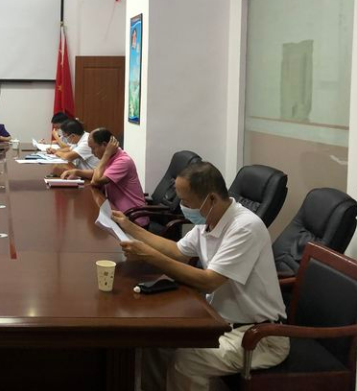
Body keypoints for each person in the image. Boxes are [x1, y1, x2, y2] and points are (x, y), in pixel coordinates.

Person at [111, 162, 289, 391]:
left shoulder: (245, 227)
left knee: (188, 362)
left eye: (186, 202)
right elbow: (178, 251)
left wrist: (150, 256)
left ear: (211, 199)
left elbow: (209, 281)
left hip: (257, 336)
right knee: (154, 340)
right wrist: (130, 227)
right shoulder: (209, 221)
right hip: (219, 322)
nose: (183, 208)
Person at [62, 128, 148, 226]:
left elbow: (96, 181)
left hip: (133, 218)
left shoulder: (123, 161)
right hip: (117, 212)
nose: (92, 152)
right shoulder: (113, 156)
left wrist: (106, 154)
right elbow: (99, 173)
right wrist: (77, 172)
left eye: (93, 148)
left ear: (104, 145)